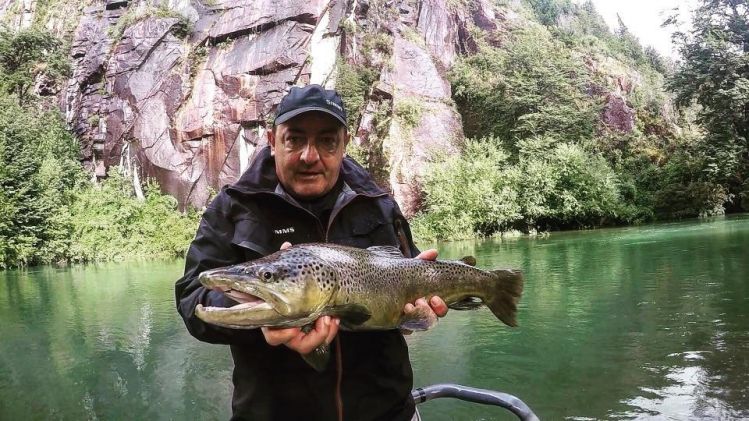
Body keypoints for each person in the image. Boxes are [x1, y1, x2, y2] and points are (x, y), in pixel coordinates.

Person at [175, 84, 447, 421]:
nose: (309, 155)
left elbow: (409, 272)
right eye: (295, 139)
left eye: (327, 141)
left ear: (344, 144)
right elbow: (192, 298)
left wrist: (418, 311)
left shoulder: (379, 204)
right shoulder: (233, 207)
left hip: (387, 413)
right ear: (273, 140)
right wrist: (263, 316)